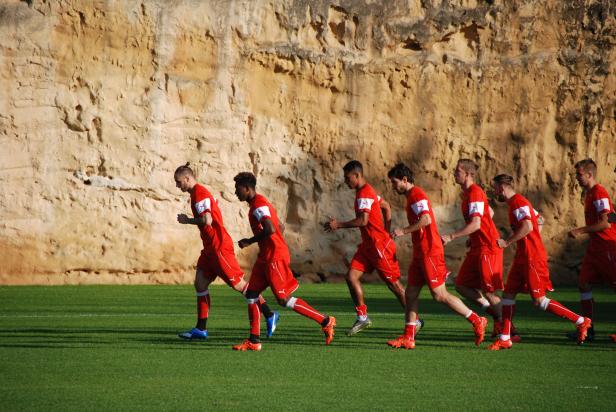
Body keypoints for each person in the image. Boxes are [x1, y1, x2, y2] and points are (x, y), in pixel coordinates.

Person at [386, 163, 488, 349]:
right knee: (410, 293)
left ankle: (476, 319)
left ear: (405, 180)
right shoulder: (411, 197)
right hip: (420, 252)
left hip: (430, 251)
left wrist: (404, 230)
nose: (393, 187)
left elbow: (426, 220)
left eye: (394, 182)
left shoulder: (417, 195)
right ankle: (409, 338)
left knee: (439, 295)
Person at [174, 163, 279, 340]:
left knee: (240, 285)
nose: (178, 186)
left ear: (187, 178)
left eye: (179, 182)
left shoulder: (200, 193)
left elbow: (207, 220)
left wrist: (187, 220)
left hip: (219, 247)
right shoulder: (196, 194)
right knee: (200, 284)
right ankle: (201, 329)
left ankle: (269, 314)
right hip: (209, 249)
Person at [232, 172, 336, 351]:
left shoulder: (258, 205)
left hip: (274, 258)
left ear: (247, 189)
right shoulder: (259, 204)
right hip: (265, 257)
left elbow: (271, 228)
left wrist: (250, 240)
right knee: (251, 294)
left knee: (283, 299)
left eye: (237, 189)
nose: (235, 192)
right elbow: (279, 225)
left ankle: (325, 321)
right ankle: (254, 341)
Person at [488, 174, 592, 350]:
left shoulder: (518, 202)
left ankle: (581, 321)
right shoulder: (516, 203)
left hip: (532, 258)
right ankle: (506, 337)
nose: (494, 191)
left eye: (495, 187)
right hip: (524, 256)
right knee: (508, 295)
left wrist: (508, 241)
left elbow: (528, 226)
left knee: (539, 301)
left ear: (502, 187)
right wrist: (533, 238)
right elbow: (539, 220)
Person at [324, 160, 408, 336]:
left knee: (394, 286)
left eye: (348, 178)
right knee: (351, 276)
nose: (346, 181)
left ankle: (414, 319)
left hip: (378, 247)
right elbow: (386, 206)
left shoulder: (364, 194)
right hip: (368, 247)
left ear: (357, 175)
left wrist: (338, 224)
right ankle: (362, 317)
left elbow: (363, 220)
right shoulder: (367, 191)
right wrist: (386, 228)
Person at [440, 159, 505, 337]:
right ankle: (492, 312)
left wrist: (452, 236)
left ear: (468, 174)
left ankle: (507, 330)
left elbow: (476, 223)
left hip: (488, 247)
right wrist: (473, 236)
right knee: (461, 285)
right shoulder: (467, 194)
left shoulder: (475, 192)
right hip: (478, 246)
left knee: (490, 292)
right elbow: (488, 213)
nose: (454, 173)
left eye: (457, 171)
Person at [567, 159, 616, 342]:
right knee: (584, 284)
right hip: (595, 248)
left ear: (589, 174)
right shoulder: (588, 194)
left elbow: (605, 223)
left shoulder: (599, 192)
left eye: (579, 174)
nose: (576, 178)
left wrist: (580, 230)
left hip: (607, 247)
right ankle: (589, 328)